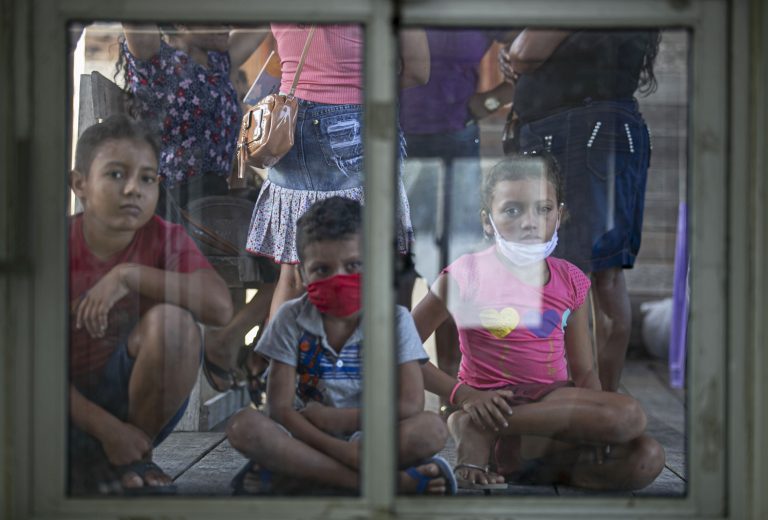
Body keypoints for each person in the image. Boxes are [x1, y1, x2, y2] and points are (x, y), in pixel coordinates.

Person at [411, 155, 665, 490]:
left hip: (550, 412)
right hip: (490, 402)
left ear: (559, 216)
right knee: (630, 415)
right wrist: (464, 396)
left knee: (647, 455)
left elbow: (585, 371)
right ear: (488, 221)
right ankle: (481, 427)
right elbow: (404, 347)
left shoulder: (571, 280)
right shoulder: (466, 274)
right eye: (513, 210)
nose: (530, 222)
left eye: (543, 209)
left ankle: (521, 459)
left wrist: (594, 425)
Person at [227, 197, 456, 495]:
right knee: (243, 426)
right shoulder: (290, 318)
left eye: (354, 265)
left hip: (372, 434)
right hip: (304, 434)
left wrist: (338, 421)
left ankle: (304, 475)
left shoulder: (395, 320)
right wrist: (340, 449)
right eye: (322, 269)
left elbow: (409, 405)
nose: (339, 279)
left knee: (431, 429)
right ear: (301, 274)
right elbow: (279, 408)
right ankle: (390, 483)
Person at [68, 115, 234, 494]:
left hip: (133, 405)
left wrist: (129, 275)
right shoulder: (58, 245)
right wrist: (105, 428)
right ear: (80, 184)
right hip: (61, 409)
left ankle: (132, 457)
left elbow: (219, 307)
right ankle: (113, 453)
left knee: (175, 325)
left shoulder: (163, 238)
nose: (133, 189)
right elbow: (30, 363)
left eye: (147, 178)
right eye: (115, 174)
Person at [498, 29, 661, 391]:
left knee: (570, 274)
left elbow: (525, 52)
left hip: (580, 130)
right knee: (606, 275)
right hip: (603, 128)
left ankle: (583, 412)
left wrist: (516, 52)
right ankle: (599, 405)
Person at [118, 23, 276, 394]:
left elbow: (264, 15)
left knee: (301, 244)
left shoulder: (220, 60)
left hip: (226, 201)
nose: (224, 19)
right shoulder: (154, 60)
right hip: (180, 203)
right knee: (294, 254)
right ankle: (235, 346)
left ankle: (234, 342)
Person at [244, 24, 430, 322]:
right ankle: (363, 365)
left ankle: (280, 364)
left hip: (287, 124)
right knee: (367, 265)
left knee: (292, 277)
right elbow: (418, 70)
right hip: (351, 119)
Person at [400, 28, 515, 410]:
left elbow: (535, 47)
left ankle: (453, 387)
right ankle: (395, 386)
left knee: (450, 270)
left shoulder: (480, 8)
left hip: (456, 143)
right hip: (391, 139)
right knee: (395, 268)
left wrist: (488, 101)